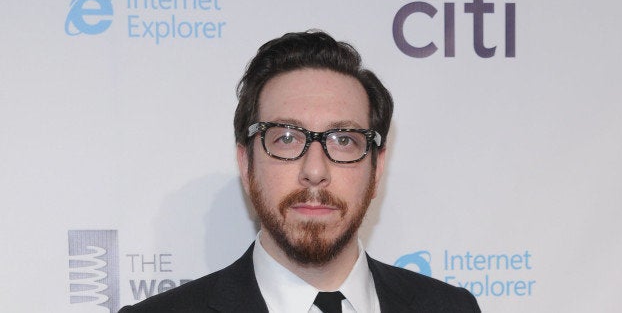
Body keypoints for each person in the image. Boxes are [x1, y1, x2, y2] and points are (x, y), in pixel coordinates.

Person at [119, 30, 481, 313]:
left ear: (377, 168)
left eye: (344, 140)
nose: (314, 170)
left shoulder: (453, 308)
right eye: (287, 139)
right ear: (246, 165)